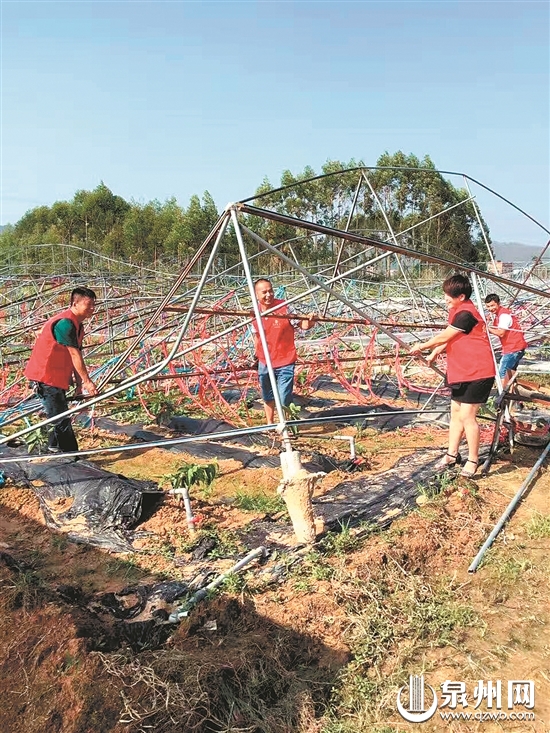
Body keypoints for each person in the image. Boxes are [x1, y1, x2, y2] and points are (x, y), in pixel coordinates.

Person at [409, 274, 495, 478]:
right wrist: (435, 352)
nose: (445, 299)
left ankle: (473, 460)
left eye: (448, 295)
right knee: (455, 413)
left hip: (478, 372)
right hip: (461, 370)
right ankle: (452, 454)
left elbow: (445, 336)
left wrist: (423, 346)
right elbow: (452, 338)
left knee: (467, 416)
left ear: (461, 296)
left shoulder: (467, 314)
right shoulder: (457, 312)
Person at [25, 287, 99, 453]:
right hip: (45, 377)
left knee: (57, 414)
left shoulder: (78, 326)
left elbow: (76, 356)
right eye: (88, 304)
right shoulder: (65, 324)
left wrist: (79, 385)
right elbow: (74, 354)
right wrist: (87, 382)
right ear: (75, 303)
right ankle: (71, 455)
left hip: (56, 377)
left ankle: (53, 447)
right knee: (61, 419)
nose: (92, 308)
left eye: (94, 304)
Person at [252, 278, 315, 425]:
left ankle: (284, 425)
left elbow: (301, 325)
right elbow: (256, 336)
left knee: (284, 397)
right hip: (265, 361)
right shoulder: (254, 312)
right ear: (256, 295)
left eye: (270, 291)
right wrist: (256, 356)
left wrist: (310, 322)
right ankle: (269, 423)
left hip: (285, 360)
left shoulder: (285, 307)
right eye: (264, 292)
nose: (268, 295)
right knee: (267, 395)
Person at [484, 293, 527, 389]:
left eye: (492, 305)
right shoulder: (500, 315)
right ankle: (511, 393)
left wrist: (487, 328)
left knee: (503, 374)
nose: (490, 308)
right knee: (510, 374)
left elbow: (501, 333)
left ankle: (503, 394)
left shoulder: (503, 316)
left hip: (512, 349)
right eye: (488, 306)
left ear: (498, 303)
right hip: (516, 348)